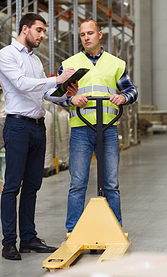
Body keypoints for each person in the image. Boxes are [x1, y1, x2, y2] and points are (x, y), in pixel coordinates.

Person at [0, 13, 76, 260]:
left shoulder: (36, 61)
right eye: (39, 30)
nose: (42, 36)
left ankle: (28, 238)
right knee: (12, 186)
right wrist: (56, 78)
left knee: (32, 185)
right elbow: (20, 84)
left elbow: (45, 92)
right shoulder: (6, 54)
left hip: (37, 127)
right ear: (25, 29)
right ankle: (9, 242)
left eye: (44, 32)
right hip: (18, 127)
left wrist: (66, 92)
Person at [52, 19, 138, 234]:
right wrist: (71, 101)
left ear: (100, 35)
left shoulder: (116, 63)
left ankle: (115, 228)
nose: (87, 38)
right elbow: (56, 96)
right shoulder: (70, 64)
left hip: (108, 129)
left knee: (111, 183)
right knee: (78, 183)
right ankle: (73, 230)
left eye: (90, 33)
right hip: (81, 129)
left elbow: (131, 90)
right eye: (82, 35)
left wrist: (123, 97)